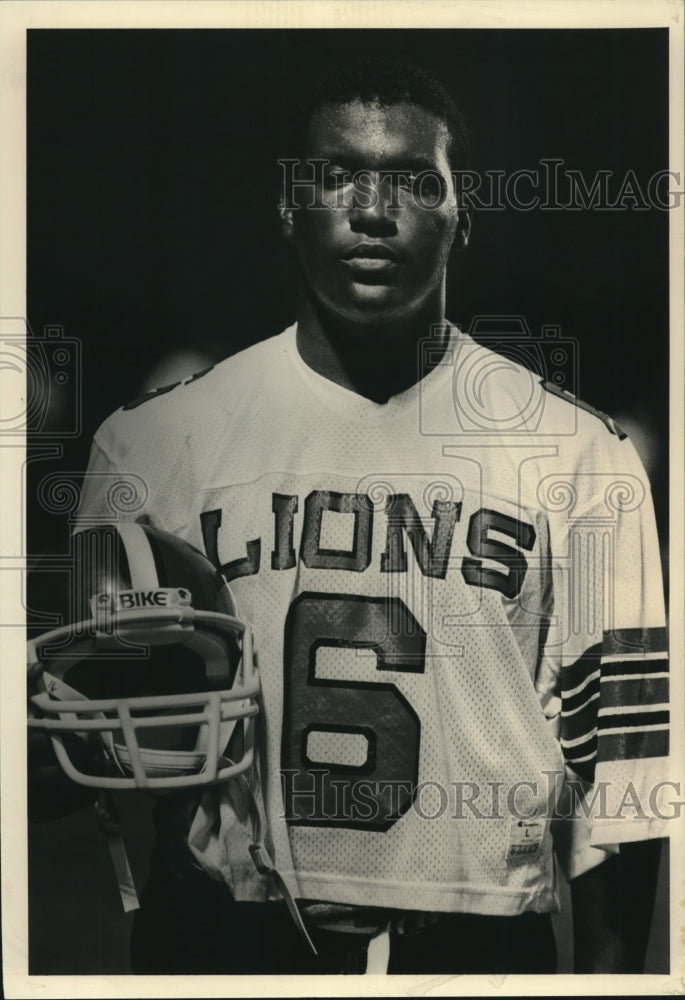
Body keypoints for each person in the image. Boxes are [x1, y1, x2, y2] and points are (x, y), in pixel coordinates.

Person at [29, 57, 669, 975]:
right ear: (287, 206)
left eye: (415, 180)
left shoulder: (578, 455)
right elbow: (76, 750)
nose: (374, 211)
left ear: (465, 213)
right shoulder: (156, 444)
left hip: (475, 945)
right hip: (223, 935)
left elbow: (625, 785)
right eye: (335, 175)